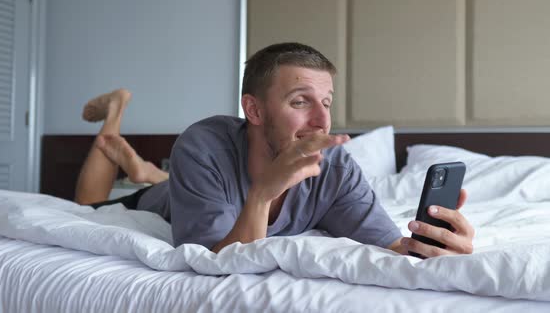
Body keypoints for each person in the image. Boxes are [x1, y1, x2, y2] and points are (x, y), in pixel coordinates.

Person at [75, 42, 475, 257]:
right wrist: (265, 191)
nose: (322, 121)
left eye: (328, 103)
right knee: (87, 203)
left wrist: (434, 246)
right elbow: (213, 262)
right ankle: (115, 113)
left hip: (204, 184)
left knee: (159, 179)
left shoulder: (335, 167)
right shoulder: (201, 146)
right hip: (169, 198)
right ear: (254, 109)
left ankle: (146, 171)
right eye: (301, 101)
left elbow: (390, 248)